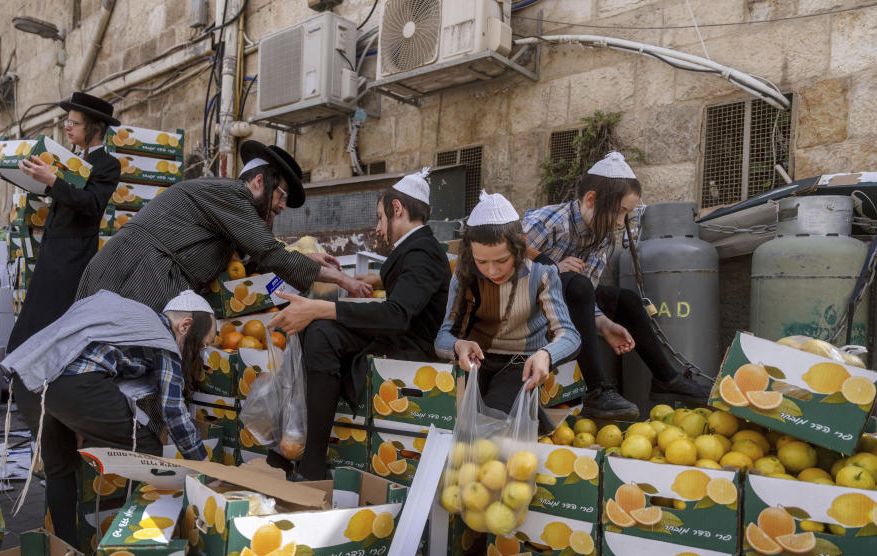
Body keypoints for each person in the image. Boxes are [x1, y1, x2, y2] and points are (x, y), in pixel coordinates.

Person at [266, 169, 452, 480]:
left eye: (381, 218)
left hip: (412, 346)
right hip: (402, 336)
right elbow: (412, 285)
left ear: (397, 209)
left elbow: (397, 315)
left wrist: (320, 307)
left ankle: (311, 460)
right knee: (319, 331)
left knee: (322, 331)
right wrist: (378, 278)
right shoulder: (419, 248)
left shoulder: (422, 252)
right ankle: (301, 445)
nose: (379, 229)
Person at [0, 289, 214, 548]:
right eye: (201, 344)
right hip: (73, 384)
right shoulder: (163, 338)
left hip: (30, 378)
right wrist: (205, 465)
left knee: (60, 468)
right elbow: (174, 412)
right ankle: (140, 548)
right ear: (185, 326)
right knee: (146, 450)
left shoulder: (131, 315)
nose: (200, 352)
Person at [76, 140, 371, 312]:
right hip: (136, 271)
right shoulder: (233, 194)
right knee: (123, 361)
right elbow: (268, 252)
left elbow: (255, 256)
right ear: (259, 182)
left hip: (144, 271)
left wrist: (306, 258)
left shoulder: (232, 209)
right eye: (281, 195)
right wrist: (343, 280)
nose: (281, 206)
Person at [522, 151, 711, 419]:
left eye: (627, 213)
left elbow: (586, 293)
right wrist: (551, 269)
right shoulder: (551, 221)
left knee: (627, 301)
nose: (621, 222)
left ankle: (666, 379)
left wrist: (604, 324)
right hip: (527, 302)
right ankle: (596, 389)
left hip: (565, 301)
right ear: (591, 199)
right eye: (619, 211)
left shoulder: (602, 235)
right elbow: (504, 257)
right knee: (574, 283)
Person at [435, 191, 580, 429]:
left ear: (520, 244)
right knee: (456, 421)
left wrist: (545, 354)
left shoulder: (541, 273)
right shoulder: (464, 275)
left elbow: (569, 334)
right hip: (476, 364)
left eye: (501, 260)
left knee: (493, 421)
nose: (492, 271)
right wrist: (458, 346)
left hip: (520, 365)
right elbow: (442, 338)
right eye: (482, 262)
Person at [1, 92, 122, 352]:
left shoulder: (108, 165)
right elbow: (48, 190)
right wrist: (6, 171)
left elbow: (90, 204)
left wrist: (53, 180)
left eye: (74, 123)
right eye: (67, 122)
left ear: (95, 128)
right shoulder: (70, 157)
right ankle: (21, 380)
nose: (67, 127)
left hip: (73, 255)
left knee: (54, 321)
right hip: (51, 248)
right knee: (33, 321)